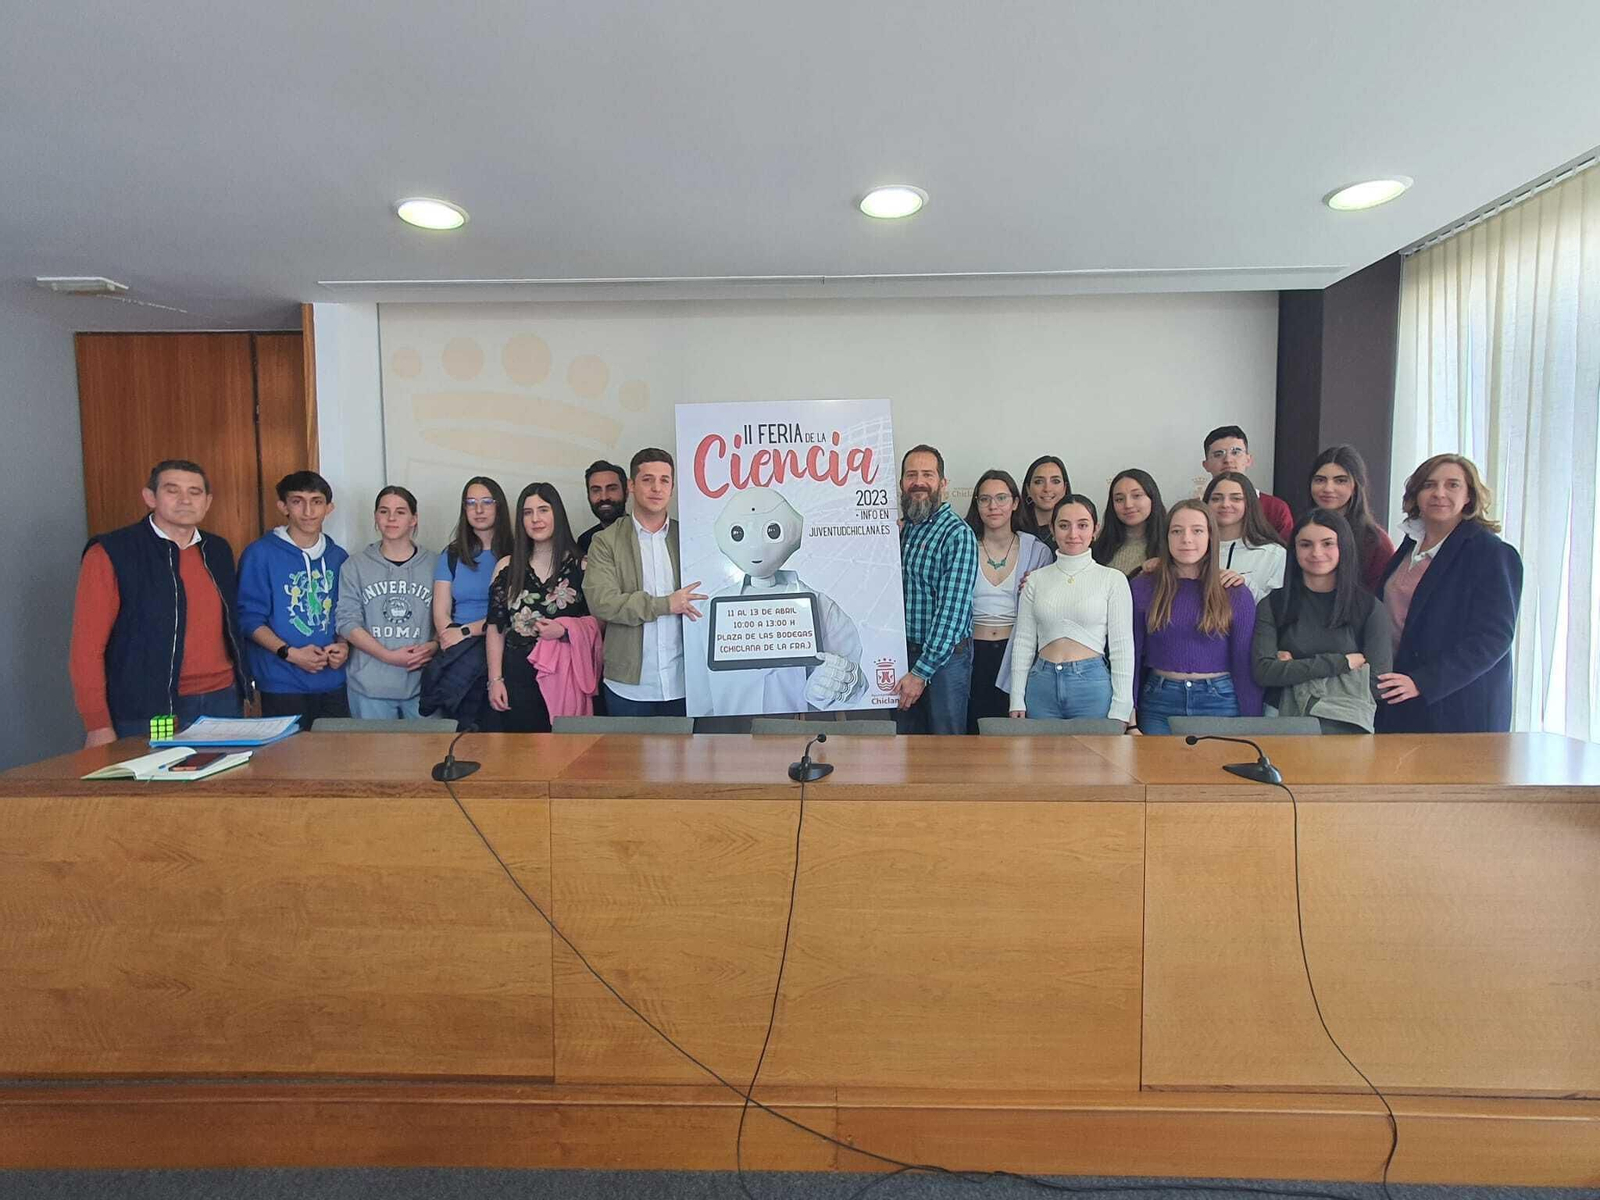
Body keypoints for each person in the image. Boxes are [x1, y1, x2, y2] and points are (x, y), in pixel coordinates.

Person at [69, 459, 249, 746]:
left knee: (223, 789)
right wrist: (97, 724)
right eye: (172, 490)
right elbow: (87, 648)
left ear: (207, 502)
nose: (185, 500)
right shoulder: (112, 552)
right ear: (150, 497)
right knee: (157, 789)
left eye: (195, 492)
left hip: (222, 701)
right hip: (149, 708)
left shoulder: (217, 550)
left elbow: (232, 626)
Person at [1375, 454, 1523, 733]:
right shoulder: (1409, 546)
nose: (1439, 493)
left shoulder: (1491, 553)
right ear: (1416, 494)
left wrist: (1422, 682)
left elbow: (1493, 638)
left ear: (1469, 496)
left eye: (1453, 485)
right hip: (1400, 698)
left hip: (1456, 708)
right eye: (1429, 485)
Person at [583, 449, 706, 718]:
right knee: (630, 761)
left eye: (664, 480)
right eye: (648, 479)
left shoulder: (689, 537)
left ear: (672, 487)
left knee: (688, 761)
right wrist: (665, 605)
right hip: (628, 686)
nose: (656, 488)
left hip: (685, 682)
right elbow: (602, 603)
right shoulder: (606, 541)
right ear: (631, 486)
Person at [1252, 509, 1392, 733]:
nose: (1316, 553)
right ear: (1294, 550)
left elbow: (1377, 684)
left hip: (1348, 724)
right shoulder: (1273, 604)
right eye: (1305, 544)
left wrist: (1293, 670)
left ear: (1343, 547)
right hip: (1285, 721)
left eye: (1328, 543)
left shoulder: (1369, 607)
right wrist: (1341, 664)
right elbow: (1264, 672)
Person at [1131, 500, 1263, 734]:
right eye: (1177, 531)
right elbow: (1130, 659)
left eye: (1197, 530)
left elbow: (1244, 664)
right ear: (1166, 537)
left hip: (1219, 701)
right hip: (1159, 702)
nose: (1187, 539)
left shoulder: (1235, 592)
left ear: (1211, 537)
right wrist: (1130, 719)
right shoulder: (1142, 587)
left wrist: (1252, 723)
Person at [1009, 495, 1135, 728]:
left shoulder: (1112, 579)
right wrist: (1017, 697)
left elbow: (1122, 647)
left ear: (1095, 529)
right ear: (1052, 529)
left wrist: (1122, 706)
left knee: (1092, 763)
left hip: (1092, 686)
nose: (1073, 534)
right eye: (1064, 525)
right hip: (1041, 685)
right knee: (1043, 762)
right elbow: (1024, 642)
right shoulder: (1036, 579)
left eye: (1082, 525)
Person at [237, 470, 350, 728]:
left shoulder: (339, 557)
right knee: (287, 764)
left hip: (331, 682)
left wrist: (343, 647)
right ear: (283, 506)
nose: (308, 510)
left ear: (329, 508)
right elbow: (248, 618)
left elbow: (347, 613)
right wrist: (289, 653)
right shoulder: (260, 554)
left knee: (336, 761)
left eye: (317, 501)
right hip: (281, 683)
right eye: (298, 501)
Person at [487, 483, 594, 732]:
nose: (536, 519)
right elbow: (496, 627)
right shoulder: (507, 566)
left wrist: (565, 629)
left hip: (566, 677)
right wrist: (495, 680)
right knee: (522, 761)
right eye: (527, 512)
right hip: (516, 676)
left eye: (543, 510)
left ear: (557, 513)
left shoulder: (583, 565)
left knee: (569, 757)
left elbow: (600, 622)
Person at [896, 444, 979, 734]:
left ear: (942, 484)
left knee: (946, 751)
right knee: (903, 750)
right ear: (902, 484)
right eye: (911, 475)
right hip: (902, 653)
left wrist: (920, 673)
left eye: (927, 475)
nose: (918, 482)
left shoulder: (957, 534)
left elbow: (952, 612)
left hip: (945, 662)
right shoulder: (902, 531)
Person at [335, 487, 437, 720]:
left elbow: (449, 615)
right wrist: (387, 656)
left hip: (423, 685)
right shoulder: (355, 565)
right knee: (374, 757)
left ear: (414, 519)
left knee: (428, 755)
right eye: (384, 511)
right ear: (375, 517)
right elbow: (346, 621)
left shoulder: (436, 563)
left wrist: (434, 646)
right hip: (369, 687)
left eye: (400, 512)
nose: (391, 518)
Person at [963, 470, 1053, 731]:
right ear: (977, 505)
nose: (993, 506)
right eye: (985, 499)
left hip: (1017, 654)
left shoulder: (1037, 551)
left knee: (1014, 739)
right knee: (972, 735)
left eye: (1001, 498)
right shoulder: (964, 545)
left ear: (1015, 503)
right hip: (970, 655)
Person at [425, 476, 513, 728]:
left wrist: (465, 631)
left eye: (486, 501)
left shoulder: (516, 553)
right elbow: (441, 610)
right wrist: (449, 634)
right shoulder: (452, 555)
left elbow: (510, 613)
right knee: (462, 730)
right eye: (471, 502)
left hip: (501, 650)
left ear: (499, 506)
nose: (479, 509)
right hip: (458, 653)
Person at [1308, 445, 1396, 593]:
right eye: (1320, 480)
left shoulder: (1376, 542)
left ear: (1356, 486)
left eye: (1340, 481)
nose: (1328, 488)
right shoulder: (1303, 532)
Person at [1204, 471, 1287, 601]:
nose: (1225, 504)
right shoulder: (1194, 550)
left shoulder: (1274, 554)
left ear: (1249, 503)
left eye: (1236, 498)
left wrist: (1245, 585)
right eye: (1216, 498)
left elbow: (1277, 610)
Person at [1201, 425, 1293, 540]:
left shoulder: (1276, 508)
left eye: (1236, 452)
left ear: (1248, 460)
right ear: (1206, 465)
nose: (1228, 460)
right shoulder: (1197, 509)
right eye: (1218, 454)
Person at [1091, 468, 1166, 578]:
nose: (1128, 505)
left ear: (1152, 498)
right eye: (1119, 499)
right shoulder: (1099, 549)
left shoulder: (1170, 546)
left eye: (1136, 496)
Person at [1018, 454, 1070, 553]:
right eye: (1039, 482)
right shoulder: (1013, 528)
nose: (1047, 489)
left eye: (1055, 481)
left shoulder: (1076, 530)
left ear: (1065, 488)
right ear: (1028, 489)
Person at [577, 459, 628, 556]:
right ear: (588, 496)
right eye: (596, 490)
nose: (604, 497)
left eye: (612, 489)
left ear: (626, 493)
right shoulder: (585, 541)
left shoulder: (642, 534)